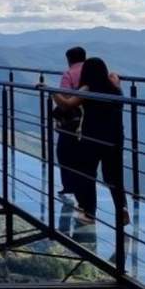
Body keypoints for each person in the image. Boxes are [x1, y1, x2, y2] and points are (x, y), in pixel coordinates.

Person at [52, 57, 130, 227]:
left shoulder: (87, 89)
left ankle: (89, 213)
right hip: (115, 137)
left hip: (92, 137)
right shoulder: (115, 87)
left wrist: (51, 91)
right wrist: (112, 75)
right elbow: (114, 76)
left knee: (87, 174)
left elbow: (66, 105)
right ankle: (122, 208)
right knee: (114, 176)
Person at [55, 47, 87, 198]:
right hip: (93, 120)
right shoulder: (94, 74)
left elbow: (65, 99)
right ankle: (83, 185)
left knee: (64, 152)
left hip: (73, 121)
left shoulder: (69, 74)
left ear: (69, 60)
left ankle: (69, 186)